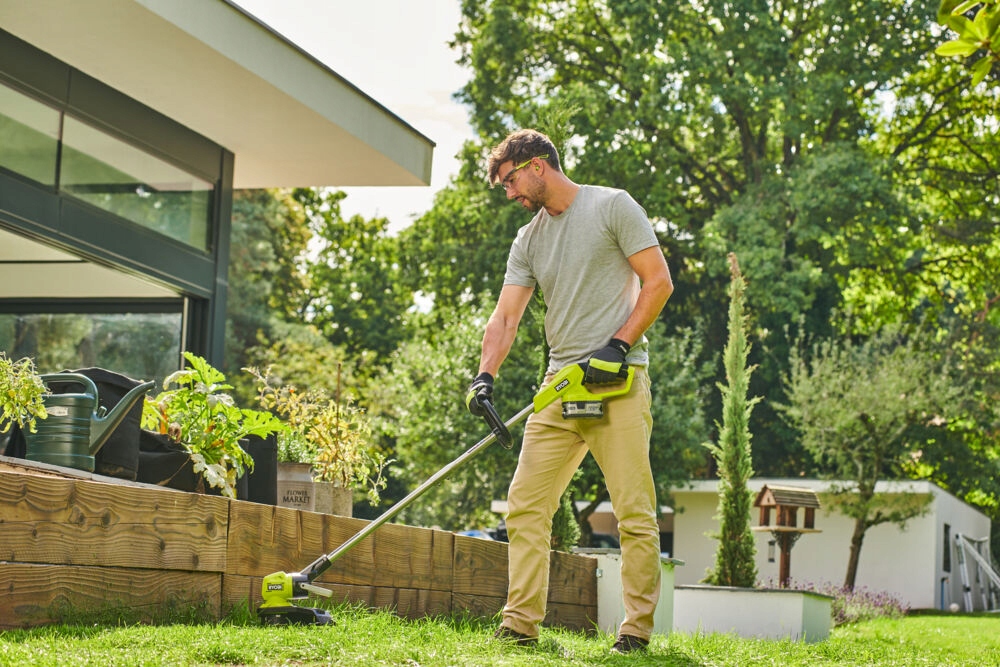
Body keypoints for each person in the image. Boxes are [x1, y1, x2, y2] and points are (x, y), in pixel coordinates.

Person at [465, 129, 673, 654]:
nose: (509, 194)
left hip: (618, 382)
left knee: (633, 511)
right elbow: (506, 316)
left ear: (537, 165)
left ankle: (636, 631)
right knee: (525, 506)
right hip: (559, 384)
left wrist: (619, 345)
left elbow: (658, 281)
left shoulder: (612, 207)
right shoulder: (529, 239)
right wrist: (484, 376)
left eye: (510, 181)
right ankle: (520, 624)